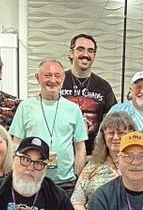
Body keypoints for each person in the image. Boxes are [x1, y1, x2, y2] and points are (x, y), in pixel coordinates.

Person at [10, 59, 88, 194]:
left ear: (63, 79)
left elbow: (80, 147)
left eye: (57, 76)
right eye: (47, 75)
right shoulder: (25, 107)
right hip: (32, 180)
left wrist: (78, 177)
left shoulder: (74, 109)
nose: (53, 80)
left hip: (66, 183)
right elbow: (16, 143)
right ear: (37, 78)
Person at [71, 112, 134, 210]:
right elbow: (77, 201)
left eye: (120, 133)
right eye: (111, 133)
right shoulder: (93, 165)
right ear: (103, 136)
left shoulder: (141, 164)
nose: (115, 137)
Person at [60, 34, 117, 153]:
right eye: (80, 49)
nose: (85, 54)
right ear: (71, 53)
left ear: (94, 56)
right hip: (61, 152)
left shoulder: (104, 86)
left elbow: (112, 122)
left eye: (90, 51)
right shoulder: (58, 81)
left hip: (93, 154)